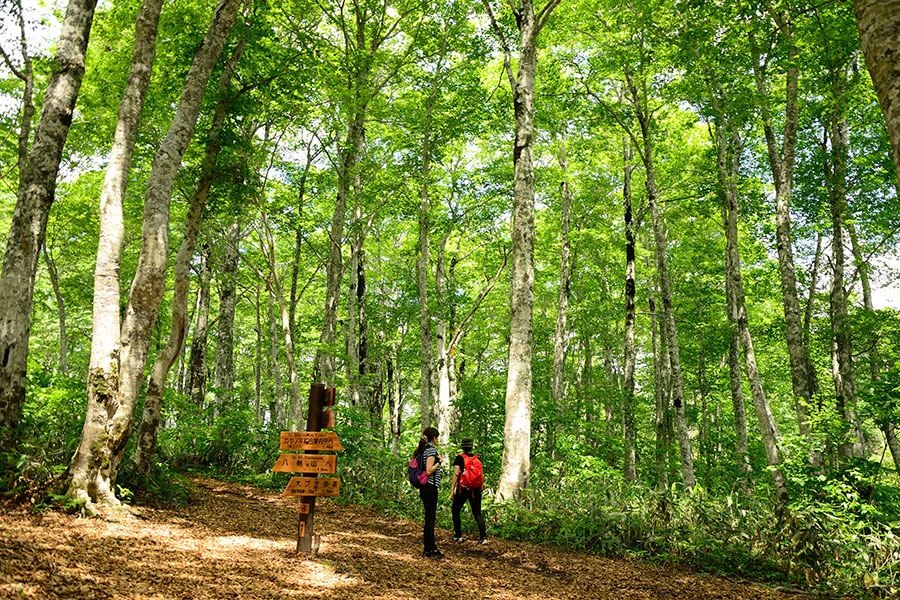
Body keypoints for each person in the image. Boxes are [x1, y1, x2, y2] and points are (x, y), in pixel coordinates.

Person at [449, 437, 487, 544]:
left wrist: (452, 489)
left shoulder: (460, 458)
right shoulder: (476, 459)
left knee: (456, 509)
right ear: (471, 447)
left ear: (462, 447)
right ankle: (483, 537)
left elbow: (456, 474)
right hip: (476, 489)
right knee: (477, 513)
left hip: (463, 489)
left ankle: (458, 535)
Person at [414, 427, 443, 558]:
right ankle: (429, 549)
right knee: (430, 519)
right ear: (433, 438)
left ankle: (431, 547)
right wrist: (439, 462)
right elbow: (429, 470)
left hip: (425, 488)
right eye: (437, 437)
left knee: (429, 518)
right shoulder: (430, 450)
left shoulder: (423, 449)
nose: (438, 440)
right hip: (430, 487)